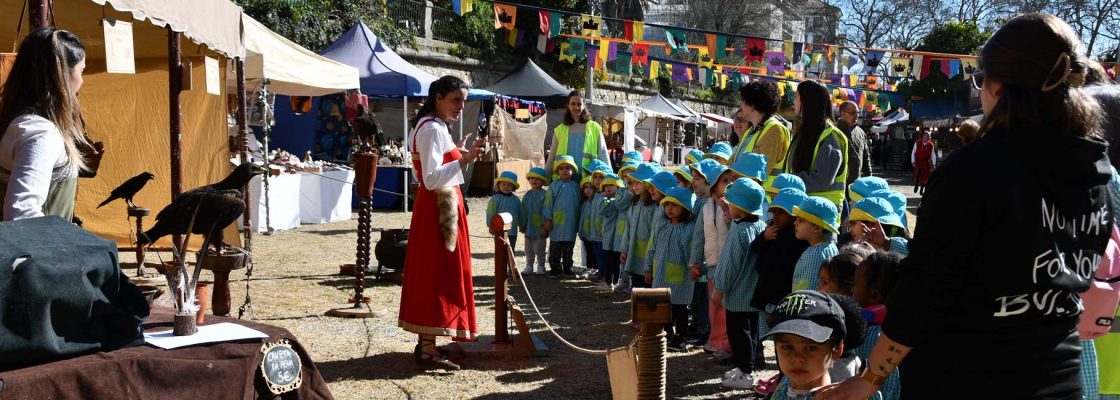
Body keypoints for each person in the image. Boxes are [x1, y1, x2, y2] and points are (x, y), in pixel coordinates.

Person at [818, 14, 1111, 400]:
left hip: (965, 377)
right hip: (1058, 378)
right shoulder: (1096, 171)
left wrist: (870, 378)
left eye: (979, 79)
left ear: (999, 85)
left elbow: (925, 292)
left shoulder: (974, 171)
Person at [399, 75, 485, 370]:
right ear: (438, 97)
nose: (461, 106)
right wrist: (465, 159)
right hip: (438, 210)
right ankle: (426, 348)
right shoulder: (433, 129)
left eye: (463, 100)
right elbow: (431, 177)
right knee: (436, 275)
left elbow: (430, 169)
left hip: (437, 208)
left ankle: (431, 341)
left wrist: (457, 152)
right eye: (455, 100)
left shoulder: (432, 127)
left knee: (439, 274)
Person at [0, 28, 91, 221]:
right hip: (43, 250)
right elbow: (21, 212)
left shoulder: (19, 124)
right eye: (81, 70)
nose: (82, 80)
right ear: (62, 75)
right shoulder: (40, 134)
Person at [711, 178, 769, 389]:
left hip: (737, 295)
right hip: (753, 294)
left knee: (739, 335)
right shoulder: (759, 226)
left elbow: (729, 265)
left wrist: (719, 289)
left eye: (732, 204)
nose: (729, 207)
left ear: (741, 208)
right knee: (751, 333)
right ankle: (747, 366)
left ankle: (746, 372)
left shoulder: (738, 232)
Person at [764, 290, 849, 400]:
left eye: (810, 348)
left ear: (836, 349)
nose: (797, 358)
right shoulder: (785, 382)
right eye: (787, 347)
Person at [646, 186, 698, 351]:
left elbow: (691, 252)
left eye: (674, 205)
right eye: (667, 204)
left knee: (680, 308)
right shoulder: (661, 225)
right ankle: (667, 333)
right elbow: (652, 248)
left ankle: (681, 337)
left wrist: (694, 268)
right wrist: (648, 268)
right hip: (660, 274)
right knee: (663, 306)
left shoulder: (689, 229)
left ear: (685, 208)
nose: (669, 208)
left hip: (681, 277)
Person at [786, 80, 849, 209]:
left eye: (796, 96)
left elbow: (822, 179)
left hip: (822, 216)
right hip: (805, 211)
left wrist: (788, 181)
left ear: (807, 101)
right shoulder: (806, 131)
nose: (793, 101)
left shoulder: (831, 136)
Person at [850, 251, 904, 400]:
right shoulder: (898, 332)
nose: (852, 290)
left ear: (874, 295)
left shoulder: (874, 338)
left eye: (855, 284)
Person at [733, 80, 792, 188]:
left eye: (743, 100)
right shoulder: (751, 131)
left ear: (753, 104)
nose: (741, 105)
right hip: (745, 196)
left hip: (765, 200)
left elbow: (759, 173)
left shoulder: (774, 130)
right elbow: (732, 163)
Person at [544, 91, 611, 180]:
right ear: (568, 105)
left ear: (584, 106)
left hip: (588, 182)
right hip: (564, 181)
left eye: (579, 104)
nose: (576, 107)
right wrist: (544, 178)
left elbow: (603, 155)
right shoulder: (559, 130)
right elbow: (551, 158)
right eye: (573, 104)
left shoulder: (595, 128)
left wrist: (610, 179)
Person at [621, 163, 660, 289]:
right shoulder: (635, 203)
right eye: (633, 182)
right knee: (636, 286)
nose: (634, 186)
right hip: (634, 253)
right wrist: (624, 248)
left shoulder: (655, 206)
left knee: (646, 288)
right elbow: (628, 227)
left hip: (648, 258)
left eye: (638, 182)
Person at [542, 155, 582, 277]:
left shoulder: (576, 186)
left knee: (568, 248)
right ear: (557, 171)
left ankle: (568, 268)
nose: (564, 170)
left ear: (573, 170)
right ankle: (555, 268)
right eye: (561, 168)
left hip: (571, 224)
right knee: (555, 247)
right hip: (557, 224)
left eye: (567, 168)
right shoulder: (554, 186)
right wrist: (548, 219)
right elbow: (548, 204)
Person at [791, 197, 841, 292]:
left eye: (801, 220)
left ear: (817, 228)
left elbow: (809, 291)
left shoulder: (815, 254)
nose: (795, 223)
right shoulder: (829, 247)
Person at [596, 173, 626, 291]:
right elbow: (603, 210)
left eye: (612, 185)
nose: (608, 188)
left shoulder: (619, 200)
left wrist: (615, 200)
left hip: (618, 237)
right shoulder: (603, 200)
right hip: (608, 236)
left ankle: (614, 282)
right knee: (608, 260)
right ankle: (608, 282)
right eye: (606, 185)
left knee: (616, 262)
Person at [521, 167, 550, 275]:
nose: (534, 180)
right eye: (532, 178)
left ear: (543, 181)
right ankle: (529, 266)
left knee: (540, 249)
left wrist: (544, 226)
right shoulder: (527, 195)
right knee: (528, 249)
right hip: (529, 228)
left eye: (537, 179)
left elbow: (547, 210)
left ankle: (541, 266)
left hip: (540, 228)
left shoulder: (545, 195)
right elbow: (523, 211)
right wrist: (523, 224)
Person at [486, 171, 523, 250]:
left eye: (509, 185)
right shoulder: (495, 199)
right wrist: (490, 225)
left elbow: (521, 213)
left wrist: (522, 224)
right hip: (499, 231)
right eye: (503, 184)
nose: (506, 187)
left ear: (513, 187)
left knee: (511, 250)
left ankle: (509, 263)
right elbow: (490, 213)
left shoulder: (516, 200)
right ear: (499, 185)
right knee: (500, 251)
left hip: (512, 231)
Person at [836, 101, 872, 183]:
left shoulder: (861, 132)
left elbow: (866, 158)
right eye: (853, 113)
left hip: (855, 184)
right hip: (837, 185)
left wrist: (869, 179)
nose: (857, 116)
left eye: (857, 113)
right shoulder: (834, 131)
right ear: (843, 114)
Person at [577, 175, 603, 279]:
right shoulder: (584, 204)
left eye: (590, 187)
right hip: (586, 234)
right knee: (589, 252)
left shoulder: (598, 201)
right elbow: (582, 219)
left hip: (596, 234)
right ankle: (589, 268)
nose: (588, 190)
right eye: (585, 187)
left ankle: (596, 269)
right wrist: (581, 232)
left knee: (596, 252)